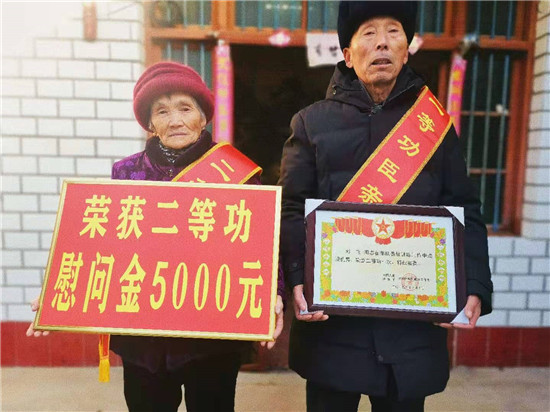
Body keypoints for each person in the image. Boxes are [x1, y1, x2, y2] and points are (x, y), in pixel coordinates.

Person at [28, 61, 285, 412]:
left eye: (185, 108)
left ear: (203, 117)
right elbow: (103, 244)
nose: (175, 120)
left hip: (211, 336)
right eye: (162, 111)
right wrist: (59, 295)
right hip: (143, 339)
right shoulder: (126, 172)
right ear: (150, 122)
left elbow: (262, 244)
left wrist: (273, 292)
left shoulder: (237, 173)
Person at [278, 2, 493, 412]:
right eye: (368, 33)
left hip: (409, 333)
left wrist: (474, 285)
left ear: (406, 49)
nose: (381, 43)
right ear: (347, 54)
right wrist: (297, 277)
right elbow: (291, 207)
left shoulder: (434, 126)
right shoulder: (310, 123)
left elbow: (464, 206)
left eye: (393, 31)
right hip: (333, 331)